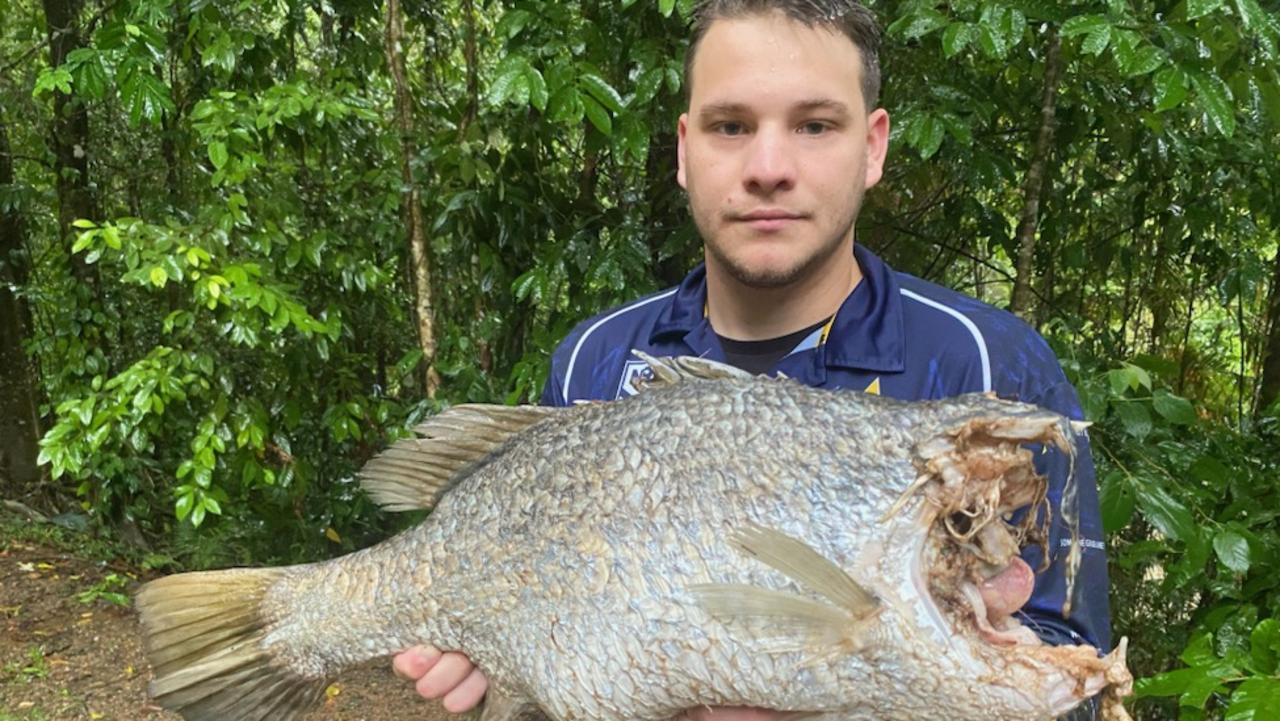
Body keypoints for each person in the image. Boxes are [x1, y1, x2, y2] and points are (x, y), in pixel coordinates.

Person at [392, 1, 1111, 719]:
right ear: (684, 150)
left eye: (814, 125)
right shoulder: (595, 360)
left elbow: (1069, 672)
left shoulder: (991, 373)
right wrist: (515, 670)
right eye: (730, 126)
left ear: (873, 146)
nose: (769, 168)